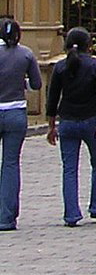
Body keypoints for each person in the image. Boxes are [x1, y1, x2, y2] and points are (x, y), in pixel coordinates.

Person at [45, 26, 96, 227]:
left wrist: (52, 126)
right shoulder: (95, 66)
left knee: (69, 169)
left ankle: (71, 215)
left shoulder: (60, 67)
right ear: (89, 46)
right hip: (92, 122)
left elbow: (52, 100)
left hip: (67, 122)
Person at [1, 17, 43, 231]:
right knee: (10, 163)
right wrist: (21, 82)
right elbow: (36, 84)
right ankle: (6, 218)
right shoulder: (26, 53)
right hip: (16, 112)